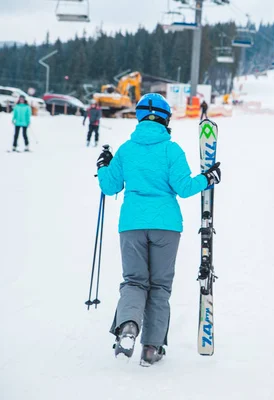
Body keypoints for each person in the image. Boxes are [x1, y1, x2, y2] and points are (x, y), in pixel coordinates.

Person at [95, 93, 222, 366]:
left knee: (134, 281)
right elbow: (185, 188)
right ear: (165, 119)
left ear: (139, 117)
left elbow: (109, 186)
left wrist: (104, 165)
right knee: (160, 287)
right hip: (166, 227)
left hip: (131, 226)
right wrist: (208, 178)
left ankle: (128, 326)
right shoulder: (171, 150)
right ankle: (151, 349)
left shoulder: (127, 150)